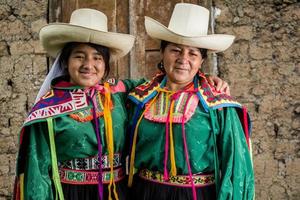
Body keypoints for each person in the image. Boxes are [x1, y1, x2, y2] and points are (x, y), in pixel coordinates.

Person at [13, 7, 230, 200]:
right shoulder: (48, 109)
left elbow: (171, 81)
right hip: (71, 193)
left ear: (106, 64)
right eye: (79, 56)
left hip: (118, 192)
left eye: (97, 57)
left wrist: (205, 78)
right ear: (66, 62)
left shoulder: (120, 92)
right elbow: (36, 170)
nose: (89, 65)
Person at [127, 3, 255, 200]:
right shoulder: (139, 97)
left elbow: (236, 167)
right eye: (175, 50)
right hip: (145, 192)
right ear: (162, 52)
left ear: (201, 61)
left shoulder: (218, 106)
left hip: (197, 195)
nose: (183, 59)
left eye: (193, 53)